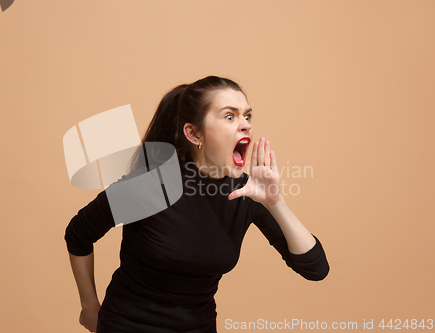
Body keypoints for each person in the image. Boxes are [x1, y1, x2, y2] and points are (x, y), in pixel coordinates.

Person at [65, 76, 330, 333]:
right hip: (127, 325)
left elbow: (315, 269)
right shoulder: (149, 185)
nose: (246, 125)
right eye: (230, 116)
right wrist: (89, 306)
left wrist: (275, 201)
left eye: (247, 116)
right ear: (193, 133)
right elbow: (78, 234)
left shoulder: (248, 192)